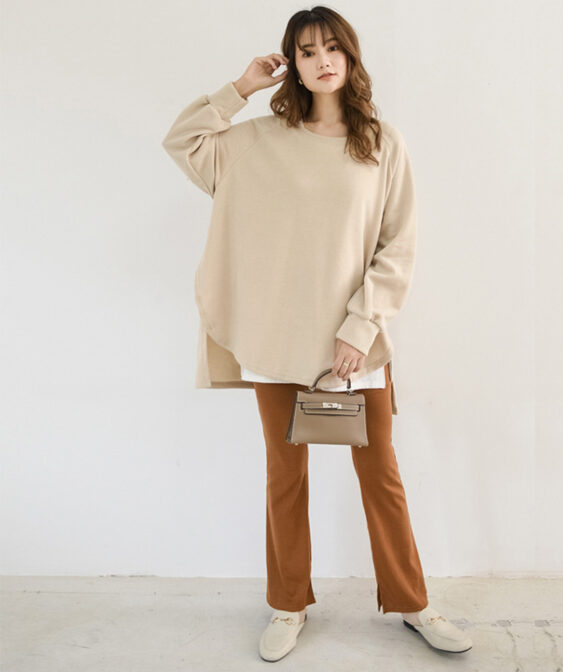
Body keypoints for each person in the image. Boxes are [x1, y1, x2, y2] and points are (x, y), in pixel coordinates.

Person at [162, 5, 473, 663]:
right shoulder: (256, 140)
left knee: (380, 473)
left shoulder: (382, 143)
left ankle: (413, 602)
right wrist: (241, 87)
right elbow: (183, 141)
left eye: (333, 47)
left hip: (354, 344)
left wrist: (360, 327)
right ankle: (287, 603)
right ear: (293, 65)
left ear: (351, 56)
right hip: (276, 338)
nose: (322, 60)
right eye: (306, 52)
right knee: (286, 476)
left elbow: (398, 246)